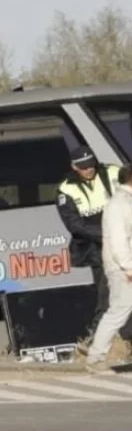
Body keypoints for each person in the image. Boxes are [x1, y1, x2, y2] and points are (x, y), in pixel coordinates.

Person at [56, 145, 132, 361]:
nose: (89, 170)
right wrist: (106, 234)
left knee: (120, 299)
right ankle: (98, 345)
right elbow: (75, 224)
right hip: (96, 246)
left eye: (91, 165)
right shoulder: (66, 189)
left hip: (123, 240)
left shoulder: (112, 172)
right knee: (107, 296)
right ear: (74, 167)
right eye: (83, 167)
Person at [87, 164, 132, 372]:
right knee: (119, 311)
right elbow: (118, 240)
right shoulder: (117, 205)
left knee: (120, 310)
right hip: (123, 268)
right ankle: (96, 357)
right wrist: (128, 267)